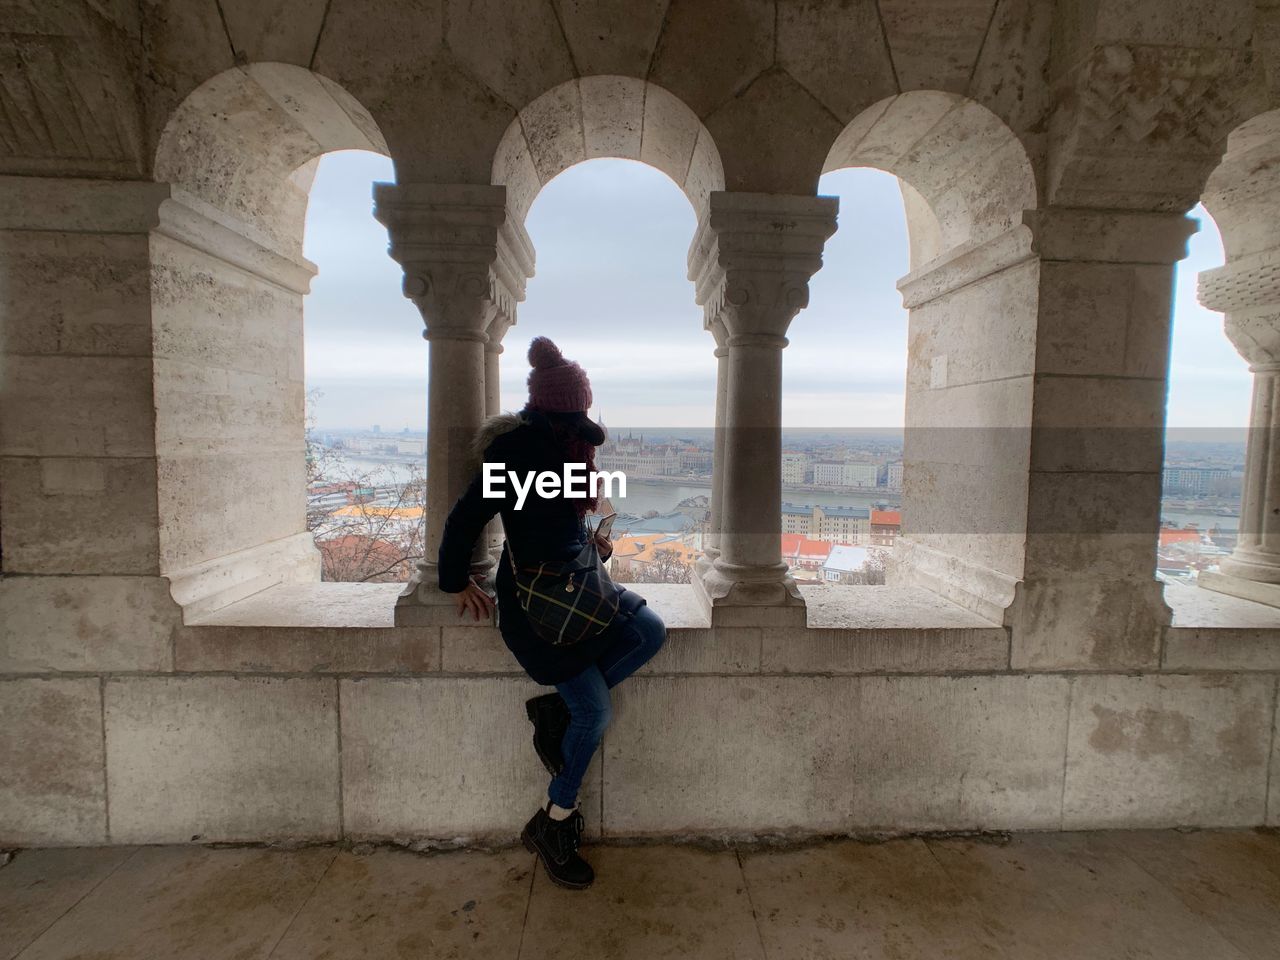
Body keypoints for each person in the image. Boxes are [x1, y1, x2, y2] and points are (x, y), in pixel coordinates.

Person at [436, 336, 667, 890]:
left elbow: (560, 524)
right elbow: (467, 518)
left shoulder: (575, 450)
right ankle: (554, 820)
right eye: (578, 406)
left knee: (650, 631)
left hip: (580, 583)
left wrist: (594, 543)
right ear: (557, 405)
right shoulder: (515, 453)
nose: (583, 415)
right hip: (536, 605)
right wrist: (455, 582)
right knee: (595, 716)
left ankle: (553, 716)